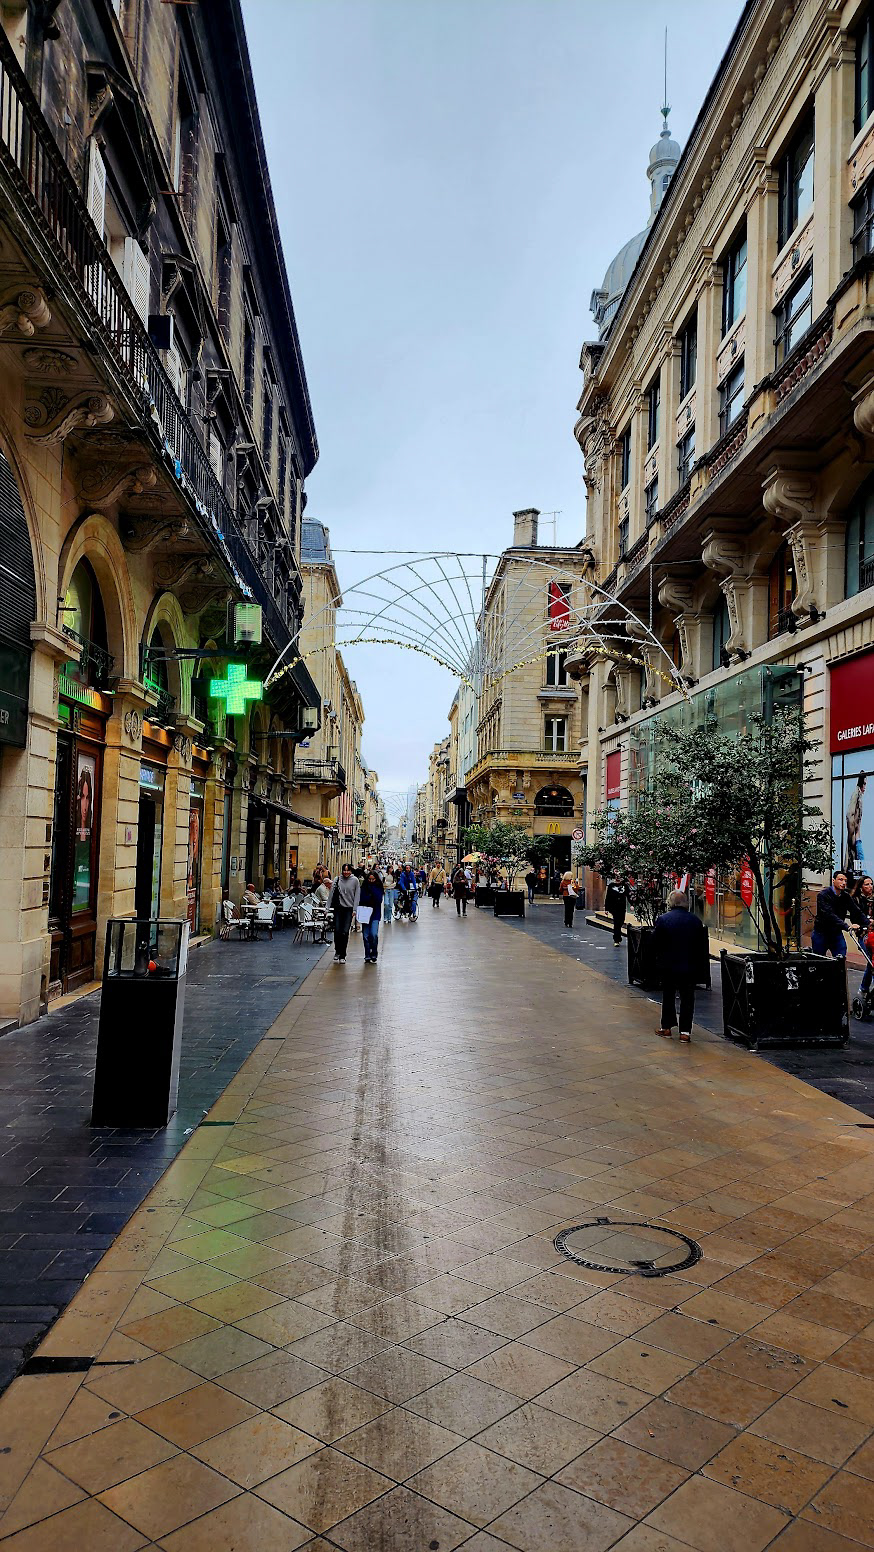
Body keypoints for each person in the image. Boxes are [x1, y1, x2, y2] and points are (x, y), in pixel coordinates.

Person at [653, 890, 708, 1043]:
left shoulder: (663, 919)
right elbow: (701, 947)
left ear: (671, 902)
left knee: (668, 996)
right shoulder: (695, 921)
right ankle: (685, 1032)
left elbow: (655, 942)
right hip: (689, 966)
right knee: (688, 998)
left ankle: (667, 1027)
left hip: (669, 965)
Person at [812, 871, 865, 959]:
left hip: (836, 933)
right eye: (841, 880)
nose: (843, 883)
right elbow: (829, 915)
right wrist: (846, 926)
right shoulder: (823, 895)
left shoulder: (845, 896)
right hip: (821, 933)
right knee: (819, 960)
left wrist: (868, 923)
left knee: (841, 957)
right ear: (833, 880)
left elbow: (856, 911)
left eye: (845, 881)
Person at [330, 863, 360, 963]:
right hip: (339, 908)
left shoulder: (355, 880)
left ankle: (343, 954)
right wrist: (327, 908)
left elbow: (357, 895)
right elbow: (331, 894)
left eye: (348, 870)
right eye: (344, 870)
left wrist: (355, 909)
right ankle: (337, 951)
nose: (346, 872)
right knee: (337, 930)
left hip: (349, 909)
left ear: (351, 871)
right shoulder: (337, 880)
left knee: (345, 931)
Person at [845, 773, 868, 876]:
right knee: (860, 861)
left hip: (857, 835)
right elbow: (850, 814)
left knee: (858, 862)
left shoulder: (858, 795)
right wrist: (852, 833)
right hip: (855, 836)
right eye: (864, 784)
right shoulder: (856, 794)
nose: (865, 787)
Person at [359, 870, 384, 963]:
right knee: (365, 935)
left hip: (375, 913)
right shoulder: (364, 887)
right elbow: (361, 899)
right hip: (365, 913)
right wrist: (370, 896)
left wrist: (371, 891)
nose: (371, 881)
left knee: (374, 934)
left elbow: (378, 899)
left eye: (373, 879)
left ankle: (374, 951)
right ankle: (367, 955)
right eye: (369, 879)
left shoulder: (378, 887)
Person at [605, 876, 627, 945]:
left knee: (621, 921)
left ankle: (618, 936)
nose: (618, 879)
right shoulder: (611, 886)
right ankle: (616, 939)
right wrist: (607, 909)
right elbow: (608, 897)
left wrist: (632, 904)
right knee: (617, 923)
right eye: (617, 878)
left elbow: (629, 895)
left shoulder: (624, 885)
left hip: (622, 907)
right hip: (614, 907)